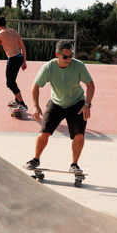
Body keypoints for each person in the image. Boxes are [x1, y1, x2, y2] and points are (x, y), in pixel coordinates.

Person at [26, 40, 95, 173]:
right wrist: (35, 106)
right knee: (44, 132)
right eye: (65, 57)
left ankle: (74, 164)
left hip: (77, 103)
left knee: (79, 135)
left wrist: (87, 104)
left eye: (71, 56)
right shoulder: (49, 67)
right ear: (57, 54)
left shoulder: (78, 66)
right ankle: (35, 159)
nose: (68, 59)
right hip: (56, 102)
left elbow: (90, 85)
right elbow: (35, 87)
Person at [0, 16, 28, 111]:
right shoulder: (14, 31)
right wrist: (24, 62)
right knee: (13, 81)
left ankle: (22, 104)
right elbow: (23, 48)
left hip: (13, 60)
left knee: (10, 83)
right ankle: (17, 101)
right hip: (19, 58)